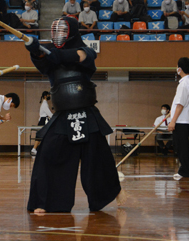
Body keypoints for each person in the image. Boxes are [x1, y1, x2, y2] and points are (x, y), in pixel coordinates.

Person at [24, 16, 126, 214]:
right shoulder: (50, 57)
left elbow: (80, 56)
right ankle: (44, 202)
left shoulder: (85, 50)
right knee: (47, 155)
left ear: (71, 33)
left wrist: (53, 54)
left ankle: (114, 191)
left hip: (87, 114)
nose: (58, 35)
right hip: (62, 116)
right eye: (55, 31)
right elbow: (43, 64)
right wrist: (36, 52)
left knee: (99, 159)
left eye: (62, 31)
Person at [168, 57, 189, 179]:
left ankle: (185, 171)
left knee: (181, 148)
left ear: (180, 69)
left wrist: (172, 121)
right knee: (182, 147)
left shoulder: (184, 84)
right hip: (184, 120)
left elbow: (180, 104)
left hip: (181, 121)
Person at [31, 91, 53, 156]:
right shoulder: (44, 104)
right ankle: (34, 149)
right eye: (48, 95)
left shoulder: (45, 103)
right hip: (43, 120)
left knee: (43, 135)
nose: (49, 96)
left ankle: (38, 149)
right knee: (40, 135)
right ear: (45, 96)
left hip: (44, 120)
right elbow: (48, 113)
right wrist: (54, 117)